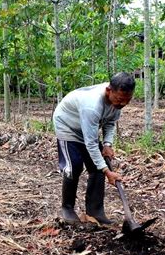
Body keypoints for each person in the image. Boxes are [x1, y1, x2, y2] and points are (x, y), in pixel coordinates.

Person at [53, 72, 135, 225]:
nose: (123, 104)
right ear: (109, 91)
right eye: (120, 100)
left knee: (96, 168)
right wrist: (107, 171)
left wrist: (107, 144)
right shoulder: (92, 106)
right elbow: (90, 143)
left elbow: (110, 123)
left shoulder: (118, 100)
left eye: (127, 100)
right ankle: (67, 209)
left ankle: (95, 211)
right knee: (74, 167)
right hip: (67, 126)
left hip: (86, 128)